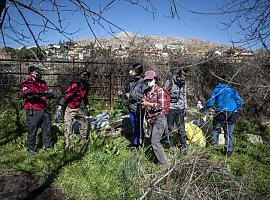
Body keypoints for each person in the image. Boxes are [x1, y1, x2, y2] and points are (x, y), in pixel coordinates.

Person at [200, 75, 243, 156]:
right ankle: (228, 151)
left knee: (215, 129)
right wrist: (236, 109)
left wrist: (202, 109)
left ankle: (214, 148)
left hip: (221, 112)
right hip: (233, 113)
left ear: (219, 82)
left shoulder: (217, 90)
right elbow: (240, 102)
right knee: (229, 132)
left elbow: (210, 103)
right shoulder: (232, 90)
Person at [20, 66, 54, 154]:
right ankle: (31, 149)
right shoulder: (26, 83)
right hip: (33, 109)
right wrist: (42, 94)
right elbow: (28, 95)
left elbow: (48, 93)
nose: (39, 74)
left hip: (44, 109)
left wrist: (49, 94)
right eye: (37, 72)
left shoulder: (43, 83)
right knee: (33, 130)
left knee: (47, 129)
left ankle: (48, 146)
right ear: (31, 73)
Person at [55, 70, 91, 150]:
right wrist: (60, 107)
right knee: (68, 127)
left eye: (86, 76)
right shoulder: (75, 84)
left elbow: (84, 97)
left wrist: (88, 107)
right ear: (80, 75)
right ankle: (68, 146)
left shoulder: (86, 86)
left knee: (84, 122)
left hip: (77, 108)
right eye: (82, 75)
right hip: (70, 108)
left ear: (88, 77)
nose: (84, 77)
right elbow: (66, 95)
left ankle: (83, 140)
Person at [141, 70, 168, 168]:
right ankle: (157, 162)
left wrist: (148, 104)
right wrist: (143, 105)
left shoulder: (160, 90)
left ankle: (165, 165)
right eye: (146, 80)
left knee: (155, 142)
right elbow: (144, 102)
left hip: (159, 118)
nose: (148, 82)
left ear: (155, 79)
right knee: (154, 142)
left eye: (150, 80)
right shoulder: (146, 91)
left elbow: (161, 106)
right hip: (150, 119)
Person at [164, 69, 188, 150]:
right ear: (178, 76)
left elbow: (184, 96)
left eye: (185, 78)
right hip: (170, 109)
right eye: (182, 78)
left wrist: (185, 108)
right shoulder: (169, 82)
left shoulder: (184, 83)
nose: (183, 80)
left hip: (180, 109)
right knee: (169, 128)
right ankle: (169, 146)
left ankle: (183, 146)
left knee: (181, 128)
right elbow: (163, 94)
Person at [126, 63, 148, 149]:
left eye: (133, 70)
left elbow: (143, 96)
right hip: (131, 106)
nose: (130, 71)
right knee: (134, 125)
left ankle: (139, 142)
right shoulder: (132, 81)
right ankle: (135, 142)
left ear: (137, 71)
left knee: (138, 125)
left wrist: (131, 95)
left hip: (138, 107)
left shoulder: (142, 81)